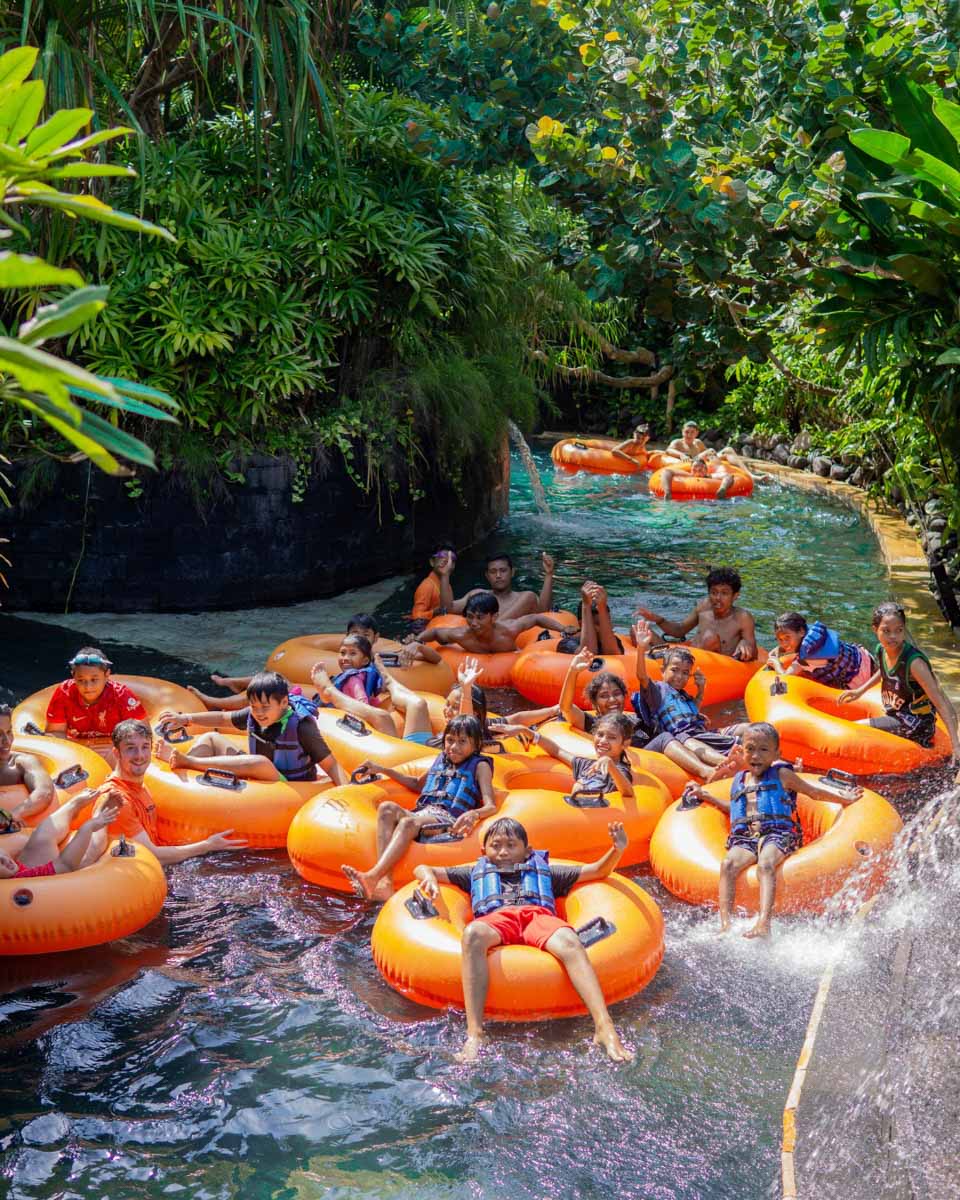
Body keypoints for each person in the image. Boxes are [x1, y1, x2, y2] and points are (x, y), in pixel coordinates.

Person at [413, 817, 635, 1063]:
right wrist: (428, 877)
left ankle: (604, 1026)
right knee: (473, 934)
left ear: (527, 850)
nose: (503, 852)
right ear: (484, 851)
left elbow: (597, 870)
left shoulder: (548, 872)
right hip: (497, 919)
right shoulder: (473, 872)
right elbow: (423, 868)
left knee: (570, 940)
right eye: (496, 845)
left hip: (536, 917)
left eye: (511, 845)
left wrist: (617, 849)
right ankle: (475, 1033)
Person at [681, 722, 863, 938]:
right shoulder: (740, 779)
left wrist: (844, 798)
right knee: (728, 864)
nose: (756, 756)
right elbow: (738, 810)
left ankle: (763, 923)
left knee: (766, 864)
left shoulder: (782, 775)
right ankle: (726, 924)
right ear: (741, 750)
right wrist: (706, 796)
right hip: (747, 838)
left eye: (763, 750)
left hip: (778, 834)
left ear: (777, 754)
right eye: (750, 749)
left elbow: (813, 792)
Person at [341, 715, 497, 901]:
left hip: (448, 819)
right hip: (423, 813)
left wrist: (474, 813)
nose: (454, 747)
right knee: (387, 808)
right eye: (450, 740)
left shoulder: (480, 766)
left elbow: (491, 806)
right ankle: (385, 884)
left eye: (462, 741)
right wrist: (383, 770)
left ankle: (373, 876)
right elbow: (416, 784)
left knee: (408, 822)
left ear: (476, 744)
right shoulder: (442, 759)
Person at [89, 719, 248, 864]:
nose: (140, 755)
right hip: (144, 869)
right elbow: (152, 855)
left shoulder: (138, 784)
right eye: (131, 749)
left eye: (145, 747)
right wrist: (207, 845)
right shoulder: (117, 800)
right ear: (117, 753)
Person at [311, 655, 556, 746]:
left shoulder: (473, 733)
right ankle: (385, 675)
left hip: (415, 755)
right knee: (418, 704)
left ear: (474, 712)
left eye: (453, 706)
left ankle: (331, 692)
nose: (447, 710)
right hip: (425, 742)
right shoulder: (489, 725)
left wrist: (466, 688)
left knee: (383, 717)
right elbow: (517, 717)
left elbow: (465, 719)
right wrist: (554, 709)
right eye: (447, 704)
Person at [155, 672, 346, 785]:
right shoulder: (254, 713)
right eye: (254, 706)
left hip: (290, 787)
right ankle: (185, 784)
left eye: (265, 707)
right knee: (210, 739)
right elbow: (222, 718)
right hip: (257, 774)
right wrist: (185, 719)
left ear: (283, 702)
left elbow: (331, 764)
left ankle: (189, 762)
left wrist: (347, 792)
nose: (259, 713)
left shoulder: (302, 726)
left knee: (260, 763)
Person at [838, 601, 960, 777]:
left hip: (915, 724)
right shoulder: (882, 650)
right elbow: (884, 671)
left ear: (904, 629)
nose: (893, 636)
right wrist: (859, 691)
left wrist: (956, 745)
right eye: (886, 631)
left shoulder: (914, 663)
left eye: (899, 630)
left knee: (855, 729)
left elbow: (941, 703)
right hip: (896, 714)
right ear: (875, 629)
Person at [633, 624, 748, 770]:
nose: (679, 677)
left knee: (746, 728)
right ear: (663, 671)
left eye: (685, 673)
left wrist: (701, 690)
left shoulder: (683, 695)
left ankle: (757, 751)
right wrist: (641, 648)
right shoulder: (657, 690)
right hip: (685, 738)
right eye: (674, 670)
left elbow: (693, 711)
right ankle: (726, 762)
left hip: (701, 733)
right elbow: (642, 677)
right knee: (688, 739)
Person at [196, 613, 385, 702]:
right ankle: (236, 683)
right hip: (325, 699)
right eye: (354, 633)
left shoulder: (361, 673)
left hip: (326, 707)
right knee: (277, 679)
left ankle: (217, 703)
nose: (360, 638)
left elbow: (363, 699)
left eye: (365, 635)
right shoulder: (362, 668)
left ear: (375, 638)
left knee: (272, 689)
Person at [44, 647, 147, 764]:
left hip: (112, 749)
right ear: (73, 675)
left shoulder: (121, 695)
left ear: (107, 674)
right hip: (78, 750)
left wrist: (114, 747)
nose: (88, 687)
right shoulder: (64, 693)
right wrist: (84, 747)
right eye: (81, 680)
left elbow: (143, 735)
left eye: (94, 679)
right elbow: (54, 733)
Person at [633, 566, 758, 660]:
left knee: (710, 638)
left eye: (724, 593)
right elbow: (679, 630)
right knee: (636, 630)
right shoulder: (704, 606)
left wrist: (746, 643)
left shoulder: (742, 618)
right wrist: (657, 619)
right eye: (714, 592)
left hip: (713, 666)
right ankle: (649, 664)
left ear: (735, 596)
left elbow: (754, 655)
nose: (718, 598)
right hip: (685, 656)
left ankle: (654, 662)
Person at [406, 592, 576, 660]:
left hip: (512, 665)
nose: (474, 623)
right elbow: (436, 632)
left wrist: (562, 629)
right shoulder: (461, 635)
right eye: (470, 617)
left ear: (494, 617)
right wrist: (417, 641)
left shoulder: (509, 629)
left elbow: (535, 618)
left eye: (480, 618)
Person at [0, 791, 123, 880]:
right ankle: (99, 819)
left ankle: (72, 806)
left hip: (26, 868)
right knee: (88, 855)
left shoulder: (9, 866)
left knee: (41, 839)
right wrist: (88, 827)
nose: (3, 859)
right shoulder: (23, 878)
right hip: (47, 889)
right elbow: (65, 865)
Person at [533, 714, 636, 802]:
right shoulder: (586, 764)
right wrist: (532, 735)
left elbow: (628, 792)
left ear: (625, 744)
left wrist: (611, 766)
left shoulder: (619, 770)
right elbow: (557, 751)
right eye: (600, 735)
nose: (603, 741)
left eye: (612, 737)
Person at [768, 612, 875, 691]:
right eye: (780, 639)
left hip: (859, 679)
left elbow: (786, 677)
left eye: (787, 638)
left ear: (801, 631)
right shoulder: (813, 634)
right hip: (865, 658)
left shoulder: (807, 659)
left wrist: (776, 663)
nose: (783, 643)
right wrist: (781, 648)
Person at [438, 552, 556, 620]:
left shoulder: (525, 598)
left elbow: (543, 613)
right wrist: (445, 575)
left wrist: (549, 574)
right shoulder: (477, 594)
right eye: (493, 572)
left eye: (503, 570)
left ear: (512, 572)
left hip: (513, 648)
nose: (498, 575)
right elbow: (448, 610)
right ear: (487, 576)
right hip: (480, 646)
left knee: (529, 597)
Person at [0, 703, 56, 826]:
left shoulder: (22, 763)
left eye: (9, 732)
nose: (6, 741)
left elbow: (44, 792)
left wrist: (12, 815)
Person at [410, 543, 457, 622]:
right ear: (432, 562)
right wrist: (434, 612)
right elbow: (416, 616)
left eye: (452, 557)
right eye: (442, 555)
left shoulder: (447, 584)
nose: (447, 560)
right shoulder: (426, 586)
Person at [657, 455, 737, 501]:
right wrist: (667, 491)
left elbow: (729, 476)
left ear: (706, 470)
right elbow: (667, 472)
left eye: (701, 469)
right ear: (691, 470)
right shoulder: (689, 475)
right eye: (695, 469)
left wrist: (723, 488)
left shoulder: (711, 476)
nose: (698, 471)